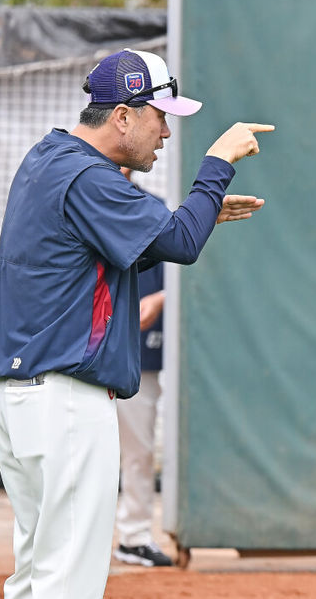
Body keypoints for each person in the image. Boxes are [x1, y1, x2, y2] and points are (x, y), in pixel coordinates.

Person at [0, 48, 273, 598]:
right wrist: (216, 165)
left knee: (37, 578)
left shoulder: (48, 158)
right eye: (160, 115)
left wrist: (202, 211)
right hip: (63, 403)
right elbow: (179, 243)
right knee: (68, 583)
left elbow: (112, 251)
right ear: (122, 116)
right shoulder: (88, 176)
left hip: (24, 402)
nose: (165, 131)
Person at [112, 167, 172, 567]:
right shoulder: (73, 198)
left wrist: (163, 298)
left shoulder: (154, 207)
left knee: (138, 450)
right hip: (78, 355)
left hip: (137, 354)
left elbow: (185, 269)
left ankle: (133, 536)